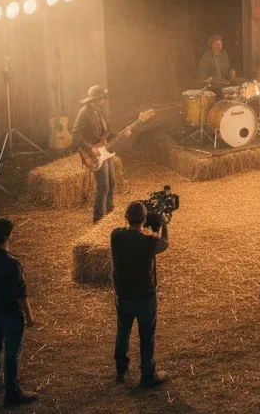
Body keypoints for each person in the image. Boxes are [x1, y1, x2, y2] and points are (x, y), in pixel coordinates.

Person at [0, 218, 38, 407]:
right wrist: (29, 315)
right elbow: (21, 293)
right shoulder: (12, 263)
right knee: (12, 353)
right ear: (8, 236)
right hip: (11, 313)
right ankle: (12, 392)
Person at [111, 201, 169, 388]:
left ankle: (121, 368)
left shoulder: (116, 236)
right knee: (146, 336)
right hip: (144, 296)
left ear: (126, 217)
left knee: (123, 332)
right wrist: (164, 223)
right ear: (144, 220)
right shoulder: (148, 243)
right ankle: (147, 374)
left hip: (123, 295)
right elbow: (165, 244)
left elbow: (128, 229)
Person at [74, 85, 131, 223]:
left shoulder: (100, 112)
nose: (104, 101)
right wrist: (90, 148)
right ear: (95, 100)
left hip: (104, 151)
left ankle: (109, 213)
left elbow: (107, 133)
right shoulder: (83, 113)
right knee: (103, 185)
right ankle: (98, 218)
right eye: (102, 99)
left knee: (111, 183)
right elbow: (76, 136)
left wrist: (122, 133)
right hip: (94, 154)